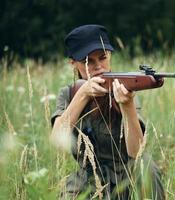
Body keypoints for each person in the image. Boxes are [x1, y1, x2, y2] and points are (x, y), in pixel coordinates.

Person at [51, 24, 165, 199]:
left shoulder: (125, 87)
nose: (99, 67)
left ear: (110, 55)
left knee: (146, 166)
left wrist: (127, 106)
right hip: (88, 177)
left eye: (103, 58)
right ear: (73, 64)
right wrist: (83, 95)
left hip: (127, 173)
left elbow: (137, 152)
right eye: (88, 61)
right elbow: (57, 141)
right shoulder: (69, 94)